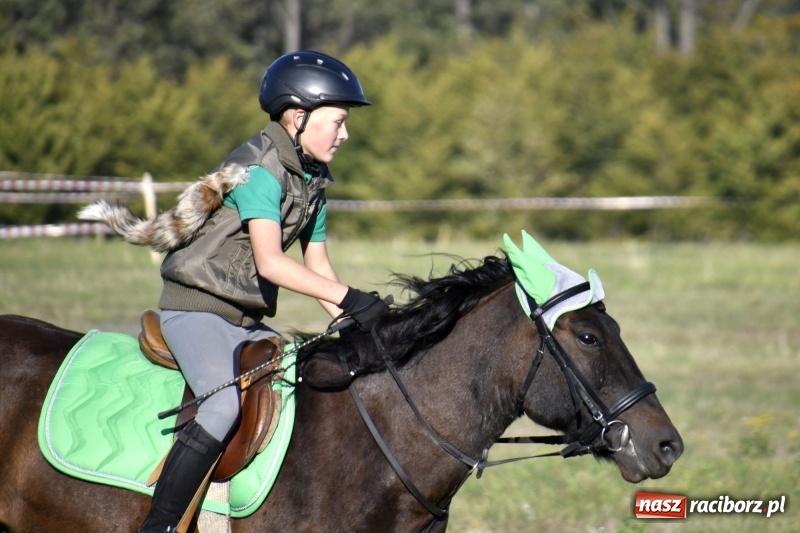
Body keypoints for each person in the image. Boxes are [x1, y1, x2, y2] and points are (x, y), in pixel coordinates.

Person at [136, 50, 390, 532]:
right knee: (221, 404)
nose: (345, 134)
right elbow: (273, 263)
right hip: (197, 309)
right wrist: (353, 298)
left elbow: (316, 263)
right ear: (298, 117)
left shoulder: (312, 180)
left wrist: (357, 317)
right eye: (337, 121)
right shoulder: (259, 170)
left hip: (245, 320)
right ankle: (161, 525)